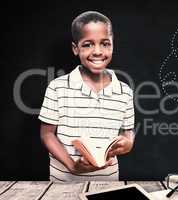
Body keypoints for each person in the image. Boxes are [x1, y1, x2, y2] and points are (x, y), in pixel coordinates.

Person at [38, 11, 135, 181]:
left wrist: (129, 143)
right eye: (88, 44)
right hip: (63, 183)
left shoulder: (124, 91)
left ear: (112, 45)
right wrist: (72, 166)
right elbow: (47, 134)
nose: (97, 51)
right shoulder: (57, 88)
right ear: (76, 49)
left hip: (108, 182)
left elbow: (128, 131)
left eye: (105, 44)